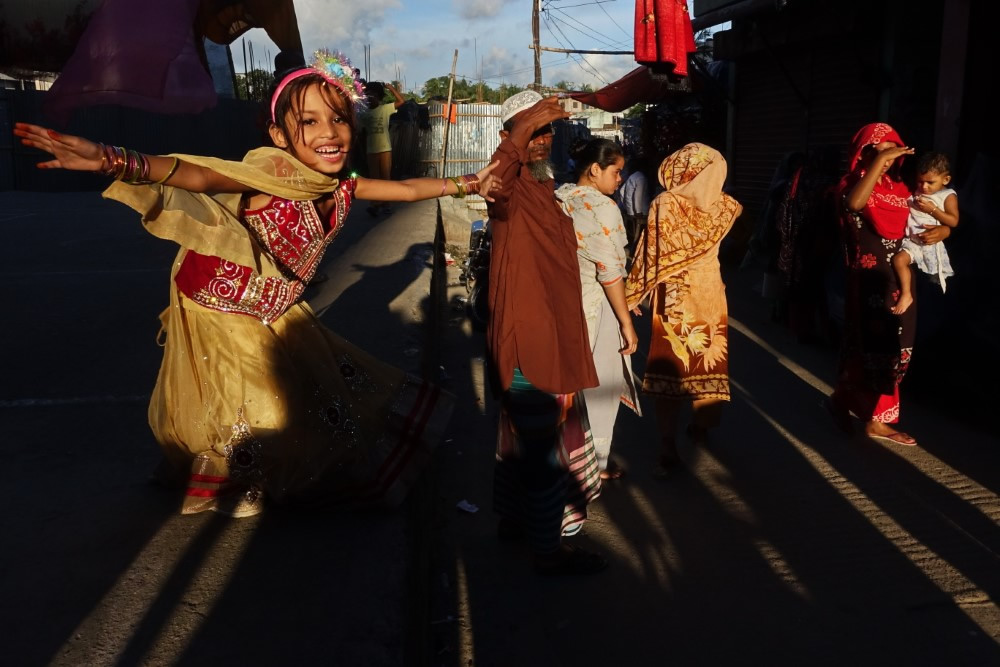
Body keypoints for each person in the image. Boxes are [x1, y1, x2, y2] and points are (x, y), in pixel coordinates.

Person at [14, 49, 501, 517]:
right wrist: (112, 158)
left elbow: (406, 189)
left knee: (305, 400)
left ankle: (235, 471)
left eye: (338, 118)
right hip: (217, 305)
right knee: (254, 409)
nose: (329, 133)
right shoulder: (267, 176)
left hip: (274, 307)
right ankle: (229, 482)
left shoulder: (340, 186)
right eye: (308, 122)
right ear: (279, 134)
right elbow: (201, 177)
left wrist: (468, 183)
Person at [487, 90, 607, 575]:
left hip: (550, 335)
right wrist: (520, 134)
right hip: (528, 343)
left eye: (546, 130)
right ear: (510, 137)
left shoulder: (541, 187)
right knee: (538, 450)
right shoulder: (507, 187)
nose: (543, 140)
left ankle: (517, 522)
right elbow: (495, 176)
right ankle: (547, 550)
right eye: (531, 131)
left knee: (525, 440)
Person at [826, 123, 950, 446]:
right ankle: (860, 411)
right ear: (862, 154)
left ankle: (857, 409)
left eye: (890, 149)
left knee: (896, 348)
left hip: (899, 278)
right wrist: (879, 164)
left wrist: (944, 231)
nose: (886, 156)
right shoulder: (850, 185)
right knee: (868, 346)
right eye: (875, 150)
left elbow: (931, 218)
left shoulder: (902, 189)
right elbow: (855, 204)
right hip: (867, 281)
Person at [624, 143, 742, 475]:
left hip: (674, 299)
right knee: (708, 365)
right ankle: (701, 429)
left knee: (671, 371)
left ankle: (667, 444)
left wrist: (632, 293)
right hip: (710, 295)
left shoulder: (666, 203)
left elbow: (650, 252)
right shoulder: (725, 207)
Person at [556, 138, 641, 481]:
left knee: (572, 387)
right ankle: (594, 463)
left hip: (565, 303)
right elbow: (609, 272)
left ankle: (572, 455)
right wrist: (626, 322)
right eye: (617, 171)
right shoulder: (603, 207)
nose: (621, 179)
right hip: (598, 304)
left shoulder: (560, 197)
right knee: (601, 386)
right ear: (595, 170)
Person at [890, 152, 959, 315]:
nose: (924, 187)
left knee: (932, 282)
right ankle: (906, 294)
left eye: (930, 182)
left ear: (946, 180)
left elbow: (953, 221)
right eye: (920, 181)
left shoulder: (947, 195)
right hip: (913, 242)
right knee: (898, 260)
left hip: (931, 243)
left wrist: (933, 210)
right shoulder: (918, 191)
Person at [361, 80, 406, 215]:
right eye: (367, 95)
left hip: (385, 149)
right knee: (374, 180)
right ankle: (375, 204)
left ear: (379, 96)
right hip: (371, 150)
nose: (370, 98)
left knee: (386, 177)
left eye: (373, 95)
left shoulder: (385, 109)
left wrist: (391, 89)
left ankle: (386, 204)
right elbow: (360, 133)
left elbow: (401, 101)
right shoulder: (363, 114)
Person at [618, 153, 652, 250]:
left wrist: (626, 206)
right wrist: (638, 212)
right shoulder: (641, 177)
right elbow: (638, 196)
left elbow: (621, 191)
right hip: (640, 212)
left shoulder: (632, 176)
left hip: (630, 211)